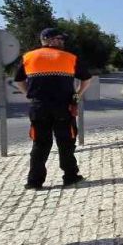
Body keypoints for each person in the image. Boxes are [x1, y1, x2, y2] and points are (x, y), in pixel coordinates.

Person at [13, 28, 92, 189]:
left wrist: (28, 94)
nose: (62, 42)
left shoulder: (28, 57)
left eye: (62, 39)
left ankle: (34, 182)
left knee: (40, 143)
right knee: (66, 142)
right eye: (59, 38)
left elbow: (19, 80)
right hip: (63, 107)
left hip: (38, 107)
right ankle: (70, 177)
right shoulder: (70, 58)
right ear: (47, 40)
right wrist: (77, 95)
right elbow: (87, 80)